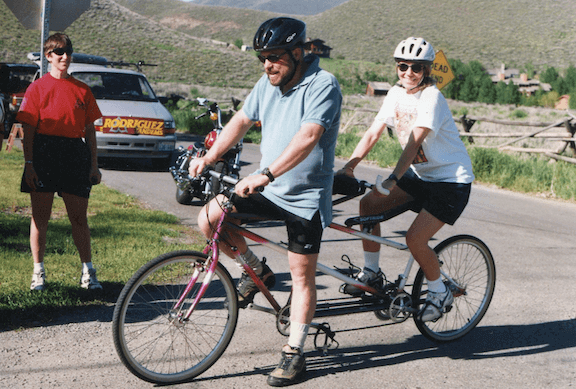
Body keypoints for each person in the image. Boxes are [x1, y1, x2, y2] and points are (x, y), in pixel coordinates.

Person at [188, 17, 341, 387]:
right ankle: (257, 271)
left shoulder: (324, 85)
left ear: (298, 52)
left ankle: (295, 352)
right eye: (262, 58)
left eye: (274, 57)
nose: (267, 65)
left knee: (303, 276)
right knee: (209, 219)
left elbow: (308, 138)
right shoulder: (267, 83)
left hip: (304, 198)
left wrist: (266, 173)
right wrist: (208, 157)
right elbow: (241, 121)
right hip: (269, 191)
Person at [337, 37, 474, 322]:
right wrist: (349, 167)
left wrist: (392, 178)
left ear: (427, 70)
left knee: (415, 239)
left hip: (451, 181)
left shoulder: (432, 97)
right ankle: (372, 273)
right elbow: (373, 132)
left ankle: (439, 291)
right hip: (421, 176)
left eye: (416, 68)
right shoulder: (395, 94)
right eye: (402, 66)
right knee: (368, 206)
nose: (408, 73)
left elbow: (414, 142)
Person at [17, 33, 103, 292]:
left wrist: (93, 165)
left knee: (79, 218)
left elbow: (89, 132)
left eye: (68, 51)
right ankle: (38, 272)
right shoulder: (37, 88)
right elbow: (27, 130)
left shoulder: (82, 90)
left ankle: (88, 271)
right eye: (58, 52)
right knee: (39, 218)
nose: (64, 56)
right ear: (48, 56)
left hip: (74, 155)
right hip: (44, 153)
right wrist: (29, 163)